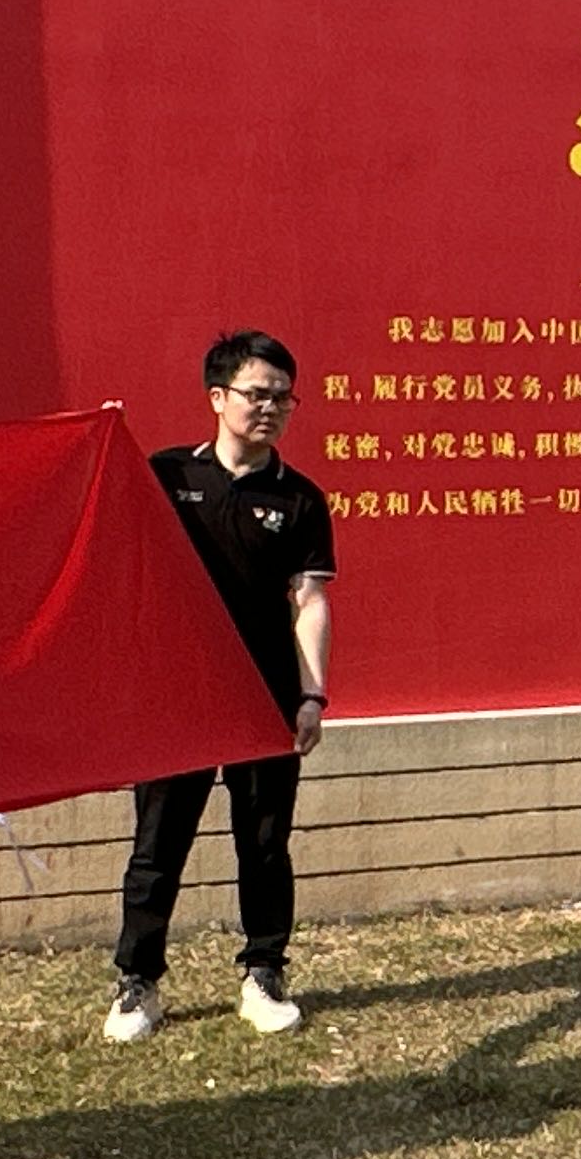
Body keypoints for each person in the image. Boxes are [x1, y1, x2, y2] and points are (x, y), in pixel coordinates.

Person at [110, 330, 338, 1042]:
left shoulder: (299, 499)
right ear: (218, 397)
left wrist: (311, 695)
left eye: (284, 398)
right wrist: (106, 447)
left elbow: (310, 601)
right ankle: (138, 983)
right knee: (157, 846)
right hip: (176, 696)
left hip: (263, 695)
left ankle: (263, 973)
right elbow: (105, 523)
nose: (270, 408)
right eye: (256, 394)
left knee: (264, 843)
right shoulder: (166, 474)